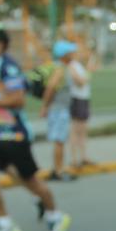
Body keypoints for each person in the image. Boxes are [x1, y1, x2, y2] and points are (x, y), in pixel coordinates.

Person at [0, 27, 71, 231]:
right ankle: (5, 224)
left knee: (31, 181)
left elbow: (17, 101)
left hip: (13, 135)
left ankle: (56, 215)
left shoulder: (7, 66)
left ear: (0, 44)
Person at [40, 39, 82, 180]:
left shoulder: (62, 68)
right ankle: (59, 171)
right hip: (59, 109)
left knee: (59, 140)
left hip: (60, 108)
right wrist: (45, 106)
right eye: (70, 52)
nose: (73, 54)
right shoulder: (60, 70)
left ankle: (57, 168)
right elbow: (51, 88)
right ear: (64, 55)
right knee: (59, 140)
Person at [67, 41, 95, 170]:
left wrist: (91, 59)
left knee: (83, 130)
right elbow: (81, 82)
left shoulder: (78, 65)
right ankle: (74, 159)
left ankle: (83, 156)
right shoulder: (72, 65)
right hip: (77, 100)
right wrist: (88, 72)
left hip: (83, 99)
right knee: (75, 130)